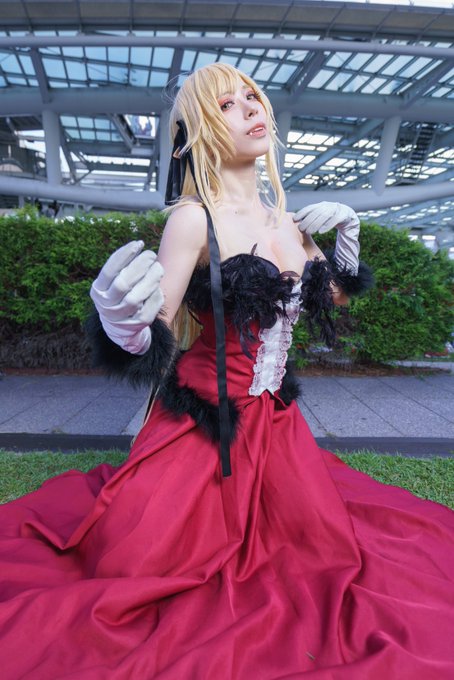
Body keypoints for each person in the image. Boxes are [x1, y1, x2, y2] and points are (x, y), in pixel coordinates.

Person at [0, 63, 452, 679]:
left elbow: (334, 298)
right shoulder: (193, 219)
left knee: (315, 557)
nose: (249, 108)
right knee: (143, 564)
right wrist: (121, 324)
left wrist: (347, 235)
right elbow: (155, 330)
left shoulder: (289, 221)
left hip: (279, 428)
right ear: (197, 134)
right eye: (226, 105)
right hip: (204, 426)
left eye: (251, 97)